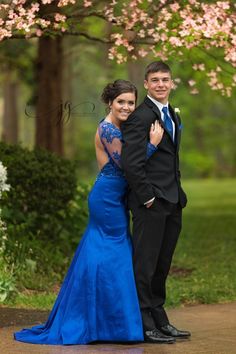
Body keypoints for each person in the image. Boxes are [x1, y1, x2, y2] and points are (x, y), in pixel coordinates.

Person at [14, 79, 164, 345]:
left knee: (107, 253)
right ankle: (109, 324)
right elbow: (126, 164)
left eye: (131, 102)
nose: (127, 107)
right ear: (110, 102)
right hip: (106, 199)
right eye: (121, 102)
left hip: (115, 196)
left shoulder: (121, 127)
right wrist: (152, 144)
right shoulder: (108, 129)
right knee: (114, 252)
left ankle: (107, 320)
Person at [121, 61, 191, 344]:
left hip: (172, 201)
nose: (161, 84)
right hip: (150, 202)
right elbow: (131, 164)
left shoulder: (171, 114)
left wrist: (177, 194)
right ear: (146, 84)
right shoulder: (141, 116)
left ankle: (159, 317)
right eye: (155, 80)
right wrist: (147, 197)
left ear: (171, 82)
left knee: (162, 264)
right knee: (145, 264)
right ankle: (144, 322)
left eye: (165, 79)